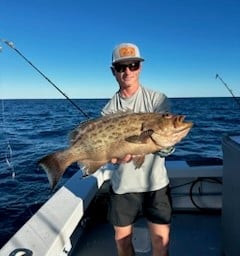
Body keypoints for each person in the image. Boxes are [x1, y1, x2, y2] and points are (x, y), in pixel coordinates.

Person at [101, 43, 174, 256]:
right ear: (113, 71)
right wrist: (112, 157)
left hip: (156, 184)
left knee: (161, 242)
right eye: (121, 67)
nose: (127, 71)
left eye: (133, 65)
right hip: (124, 186)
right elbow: (108, 150)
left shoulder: (157, 100)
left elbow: (165, 140)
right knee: (122, 242)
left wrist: (165, 147)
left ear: (140, 68)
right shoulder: (108, 110)